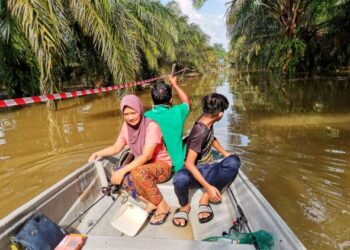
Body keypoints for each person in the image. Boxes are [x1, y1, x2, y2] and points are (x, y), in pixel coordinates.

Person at [88, 95, 172, 225]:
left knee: (135, 172)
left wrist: (123, 171)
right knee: (119, 176)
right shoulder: (126, 127)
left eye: (133, 113)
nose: (130, 117)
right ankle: (151, 203)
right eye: (126, 114)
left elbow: (147, 156)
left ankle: (163, 206)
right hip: (143, 166)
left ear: (140, 110)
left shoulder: (152, 126)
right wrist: (96, 153)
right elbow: (116, 147)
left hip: (162, 167)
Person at [172, 93, 241, 227]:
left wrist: (224, 153)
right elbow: (189, 164)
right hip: (194, 172)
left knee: (233, 161)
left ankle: (205, 198)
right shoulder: (200, 131)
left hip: (209, 168)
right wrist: (208, 187)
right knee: (179, 179)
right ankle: (185, 206)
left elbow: (212, 138)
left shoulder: (207, 119)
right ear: (220, 114)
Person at [145, 75, 190, 173]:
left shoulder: (146, 116)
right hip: (178, 165)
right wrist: (175, 84)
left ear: (153, 100)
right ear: (171, 100)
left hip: (157, 168)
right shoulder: (177, 112)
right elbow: (186, 102)